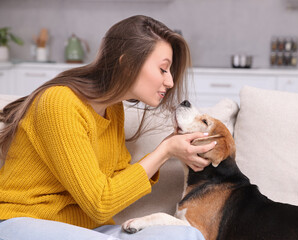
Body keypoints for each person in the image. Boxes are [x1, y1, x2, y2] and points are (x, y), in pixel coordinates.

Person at [0, 15, 216, 240]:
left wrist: (168, 146)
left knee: (186, 235)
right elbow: (100, 203)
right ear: (127, 64)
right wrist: (165, 152)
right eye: (163, 69)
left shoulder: (113, 110)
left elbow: (116, 185)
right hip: (22, 222)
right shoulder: (59, 102)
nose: (170, 82)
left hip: (88, 230)